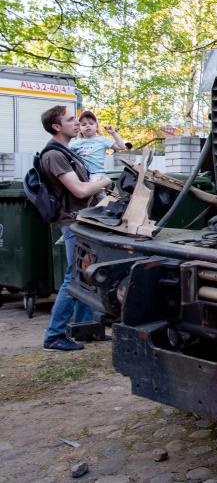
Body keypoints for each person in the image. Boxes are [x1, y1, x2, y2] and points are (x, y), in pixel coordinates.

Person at [39, 105, 113, 351]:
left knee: (85, 275)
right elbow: (80, 190)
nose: (77, 123)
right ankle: (54, 336)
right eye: (71, 120)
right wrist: (105, 181)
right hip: (73, 222)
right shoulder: (54, 155)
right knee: (74, 277)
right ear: (56, 127)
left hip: (83, 220)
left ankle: (85, 329)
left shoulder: (67, 151)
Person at [70, 110, 126, 180]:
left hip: (98, 173)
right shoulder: (75, 143)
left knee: (94, 184)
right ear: (80, 128)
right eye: (83, 124)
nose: (87, 125)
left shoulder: (102, 140)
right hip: (81, 174)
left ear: (96, 127)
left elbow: (122, 147)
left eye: (91, 123)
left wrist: (113, 133)